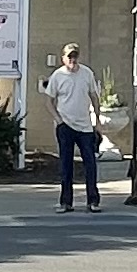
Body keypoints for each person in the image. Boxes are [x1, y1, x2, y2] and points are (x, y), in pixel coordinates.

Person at [45, 43, 105, 210]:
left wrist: (97, 120)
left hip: (85, 127)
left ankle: (93, 201)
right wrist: (58, 120)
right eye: (69, 56)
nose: (72, 59)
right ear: (63, 58)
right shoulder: (57, 76)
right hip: (65, 126)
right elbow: (49, 101)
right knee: (66, 165)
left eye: (75, 56)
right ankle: (66, 202)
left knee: (90, 163)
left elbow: (94, 96)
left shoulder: (86, 73)